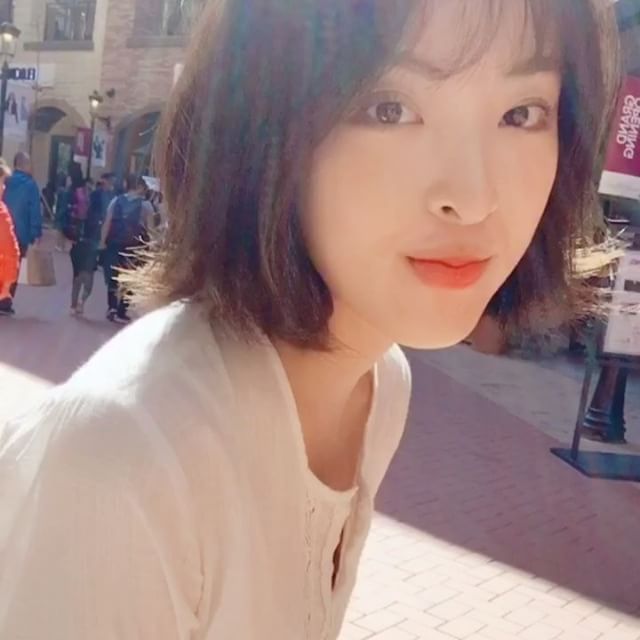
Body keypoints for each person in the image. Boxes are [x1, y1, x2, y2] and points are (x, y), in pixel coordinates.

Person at [0, 2, 618, 639]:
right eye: (389, 108)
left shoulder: (378, 385)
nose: (472, 198)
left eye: (521, 114)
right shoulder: (125, 465)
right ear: (262, 129)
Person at [99, 173, 154, 323]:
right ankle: (122, 310)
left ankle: (111, 307)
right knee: (132, 278)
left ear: (126, 184)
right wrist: (151, 246)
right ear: (140, 187)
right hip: (135, 247)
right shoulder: (146, 206)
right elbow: (150, 229)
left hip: (115, 244)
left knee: (113, 276)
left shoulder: (115, 201)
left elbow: (107, 222)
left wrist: (102, 242)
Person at [0, 151, 42, 314]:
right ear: (26, 165)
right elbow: (34, 210)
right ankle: (5, 299)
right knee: (13, 264)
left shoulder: (7, 180)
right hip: (20, 232)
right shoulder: (30, 185)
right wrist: (35, 233)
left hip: (3, 226)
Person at [66, 176, 96, 315]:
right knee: (78, 276)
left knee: (87, 277)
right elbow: (69, 215)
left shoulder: (96, 201)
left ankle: (81, 302)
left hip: (90, 242)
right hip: (79, 241)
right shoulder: (76, 196)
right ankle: (74, 304)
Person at [0, 159, 19, 317]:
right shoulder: (1, 213)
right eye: (1, 182)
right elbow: (10, 251)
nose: (3, 187)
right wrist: (6, 285)